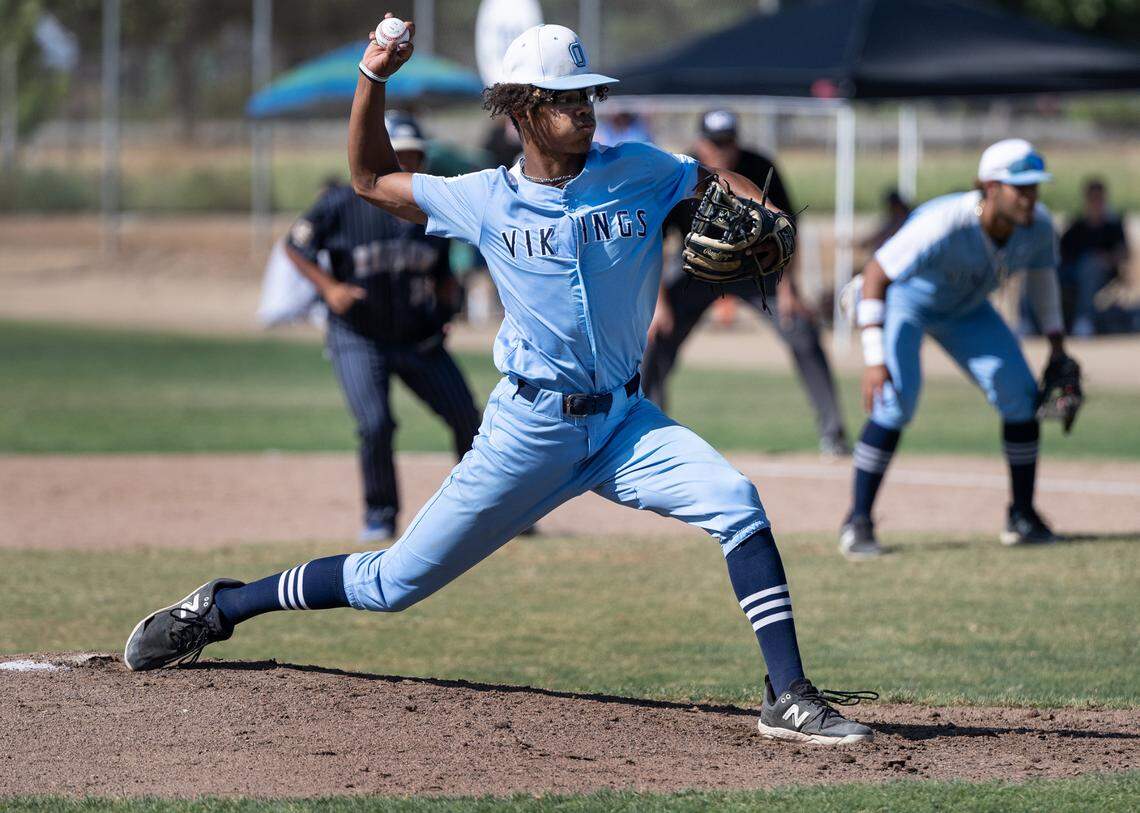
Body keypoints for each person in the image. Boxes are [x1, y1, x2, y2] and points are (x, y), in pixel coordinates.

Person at [125, 20, 874, 746]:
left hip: (624, 425)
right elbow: (368, 176)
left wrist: (763, 209)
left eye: (587, 96)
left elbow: (713, 178)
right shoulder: (482, 196)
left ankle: (789, 695)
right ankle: (223, 606)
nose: (582, 109)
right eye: (563, 99)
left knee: (736, 502)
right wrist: (371, 80)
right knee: (392, 583)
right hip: (528, 432)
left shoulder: (640, 170)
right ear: (521, 109)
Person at [839, 139, 1078, 560]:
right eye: (1017, 186)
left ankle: (1021, 516)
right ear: (987, 187)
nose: (1029, 196)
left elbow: (1043, 282)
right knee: (894, 400)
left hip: (966, 309)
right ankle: (857, 520)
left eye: (1034, 186)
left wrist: (1057, 348)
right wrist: (875, 360)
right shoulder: (945, 221)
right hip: (907, 302)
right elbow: (876, 274)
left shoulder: (1037, 225)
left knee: (1020, 395)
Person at [283, 113, 481, 543]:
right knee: (375, 424)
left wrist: (448, 306)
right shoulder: (340, 203)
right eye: (399, 154)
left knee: (466, 415)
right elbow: (295, 245)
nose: (407, 164)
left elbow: (442, 272)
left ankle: (484, 509)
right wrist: (329, 287)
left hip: (417, 336)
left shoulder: (432, 205)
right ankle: (380, 515)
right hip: (358, 336)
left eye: (414, 156)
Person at [642, 109, 850, 457]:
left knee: (801, 329)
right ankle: (645, 432)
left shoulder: (758, 167)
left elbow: (787, 230)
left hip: (755, 271)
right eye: (714, 143)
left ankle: (834, 434)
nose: (722, 150)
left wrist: (788, 289)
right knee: (653, 338)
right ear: (699, 141)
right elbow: (653, 244)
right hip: (696, 272)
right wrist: (658, 304)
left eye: (728, 142)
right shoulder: (680, 172)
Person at [1058, 178, 1130, 337]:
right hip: (1072, 273)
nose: (1096, 202)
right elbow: (1060, 252)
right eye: (1092, 198)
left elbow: (1123, 254)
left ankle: (1084, 319)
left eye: (1099, 198)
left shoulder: (1113, 226)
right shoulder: (1077, 226)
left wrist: (1107, 258)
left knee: (1090, 265)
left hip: (1103, 274)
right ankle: (1032, 321)